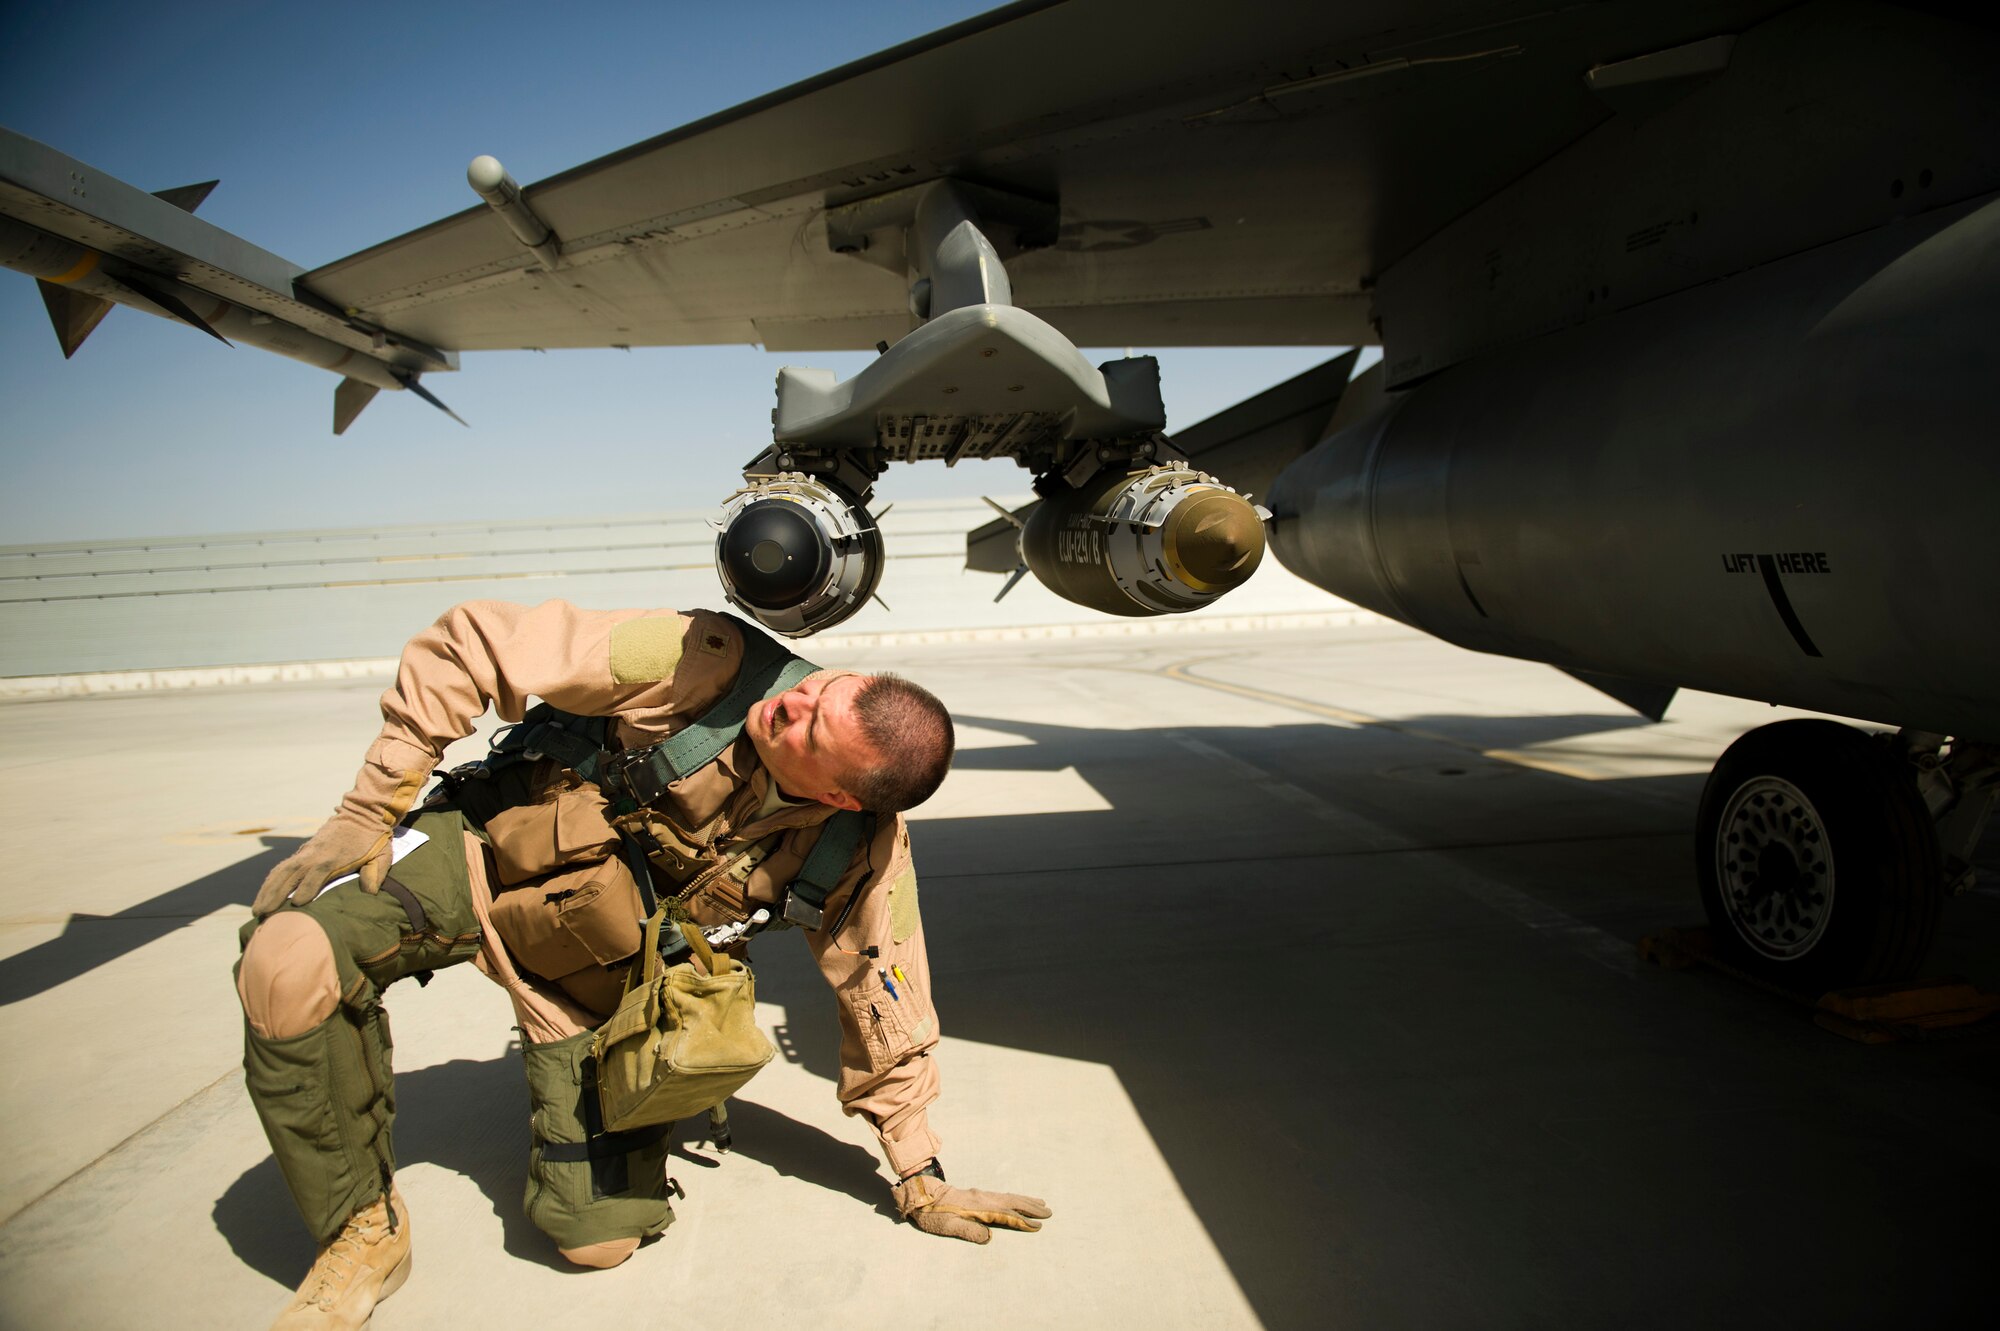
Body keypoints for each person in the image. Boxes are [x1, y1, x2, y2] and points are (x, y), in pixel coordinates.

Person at [235, 600, 1049, 1330]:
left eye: (808, 732)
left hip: (592, 986)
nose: (790, 705)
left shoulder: (856, 849)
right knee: (286, 960)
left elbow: (885, 994)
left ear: (843, 797)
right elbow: (473, 640)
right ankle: (362, 1230)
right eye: (819, 692)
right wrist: (368, 809)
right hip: (484, 859)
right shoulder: (699, 658)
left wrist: (919, 1171)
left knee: (600, 1245)